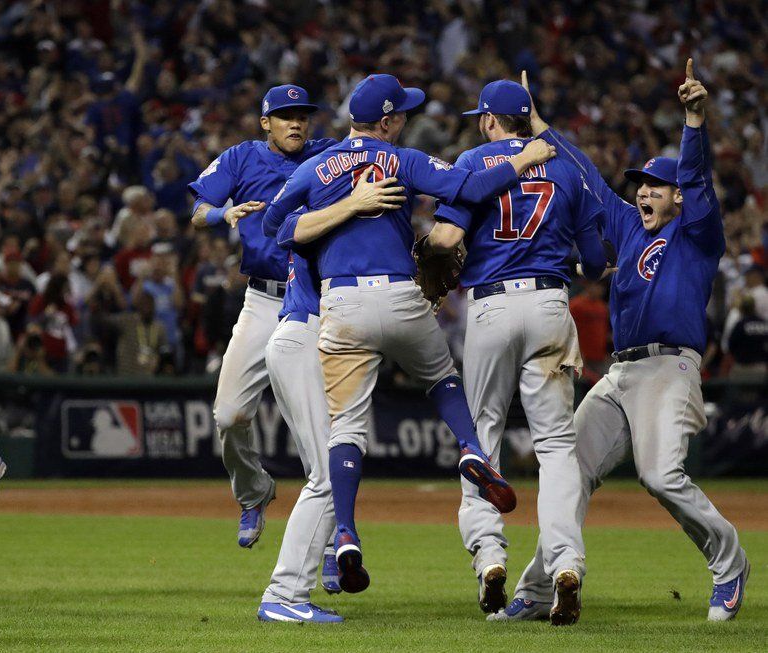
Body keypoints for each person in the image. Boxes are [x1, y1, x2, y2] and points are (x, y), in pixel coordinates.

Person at [263, 73, 556, 593]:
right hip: (399, 296)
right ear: (389, 120)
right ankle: (469, 448)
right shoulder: (401, 160)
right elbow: (467, 187)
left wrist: (338, 208)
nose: (405, 121)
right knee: (442, 377)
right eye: (403, 114)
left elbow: (275, 227)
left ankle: (348, 534)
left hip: (342, 306)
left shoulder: (313, 166)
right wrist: (522, 162)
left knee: (347, 429)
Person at [502, 61, 750, 622]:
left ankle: (729, 564)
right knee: (568, 470)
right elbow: (585, 171)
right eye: (642, 184)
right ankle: (538, 589)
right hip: (620, 373)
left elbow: (697, 177)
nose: (644, 191)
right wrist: (537, 124)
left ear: (679, 197)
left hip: (670, 369)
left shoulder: (697, 234)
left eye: (657, 186)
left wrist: (693, 120)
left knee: (661, 476)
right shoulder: (629, 225)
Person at [423, 79, 607, 625]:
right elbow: (595, 260)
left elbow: (445, 242)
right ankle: (566, 565)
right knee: (555, 445)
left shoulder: (474, 161)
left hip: (491, 308)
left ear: (487, 120)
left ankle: (489, 559)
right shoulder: (566, 166)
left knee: (480, 436)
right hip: (551, 306)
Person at [187, 85, 336, 547]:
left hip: (314, 301)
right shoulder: (240, 158)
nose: (296, 122)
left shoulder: (328, 155)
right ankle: (254, 493)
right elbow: (197, 211)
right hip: (263, 300)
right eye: (286, 115)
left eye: (303, 115)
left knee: (317, 429)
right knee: (229, 414)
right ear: (265, 122)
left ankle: (332, 537)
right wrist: (223, 215)